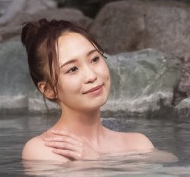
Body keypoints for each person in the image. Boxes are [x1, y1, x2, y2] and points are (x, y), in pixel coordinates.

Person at [20, 19, 156, 162]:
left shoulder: (138, 144)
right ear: (48, 89)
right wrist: (93, 163)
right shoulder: (41, 150)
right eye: (72, 69)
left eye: (94, 59)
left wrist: (95, 161)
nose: (91, 76)